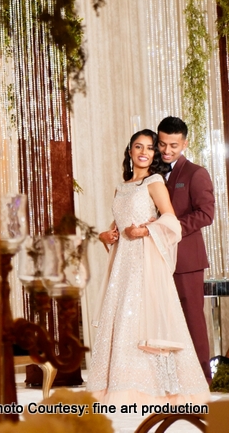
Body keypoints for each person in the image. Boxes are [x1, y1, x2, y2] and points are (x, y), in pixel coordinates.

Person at [87, 129, 209, 405]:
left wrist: (145, 231)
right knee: (122, 318)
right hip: (122, 263)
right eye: (138, 147)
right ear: (129, 151)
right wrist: (106, 234)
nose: (144, 152)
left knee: (141, 317)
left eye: (150, 148)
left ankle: (151, 386)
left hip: (144, 259)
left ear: (154, 154)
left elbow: (171, 221)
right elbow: (119, 222)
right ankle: (117, 383)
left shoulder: (154, 181)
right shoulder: (123, 185)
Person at [157, 116, 215, 384]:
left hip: (187, 261)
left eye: (173, 145)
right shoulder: (152, 175)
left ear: (184, 144)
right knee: (164, 322)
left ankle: (202, 380)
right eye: (162, 144)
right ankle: (171, 379)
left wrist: (168, 227)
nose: (167, 151)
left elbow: (206, 214)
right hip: (156, 258)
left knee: (193, 321)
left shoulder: (195, 173)